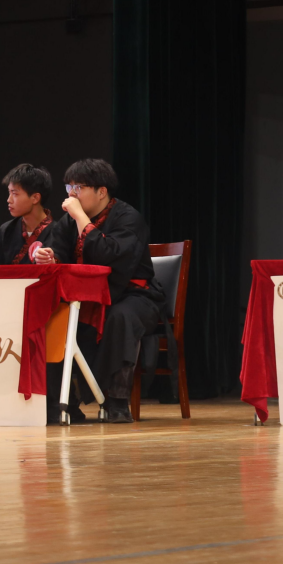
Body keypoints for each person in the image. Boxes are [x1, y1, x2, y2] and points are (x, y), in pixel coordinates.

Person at [34, 159, 164, 424]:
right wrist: (48, 256)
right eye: (69, 187)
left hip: (132, 294)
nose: (72, 194)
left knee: (120, 317)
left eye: (78, 188)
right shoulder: (69, 222)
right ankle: (64, 403)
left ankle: (117, 401)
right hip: (87, 296)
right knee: (54, 315)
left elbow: (111, 256)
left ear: (101, 191)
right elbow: (59, 251)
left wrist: (81, 219)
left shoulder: (128, 218)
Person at [0, 163, 57, 265]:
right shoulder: (5, 231)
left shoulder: (59, 233)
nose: (9, 200)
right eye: (9, 193)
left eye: (15, 194)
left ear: (35, 198)